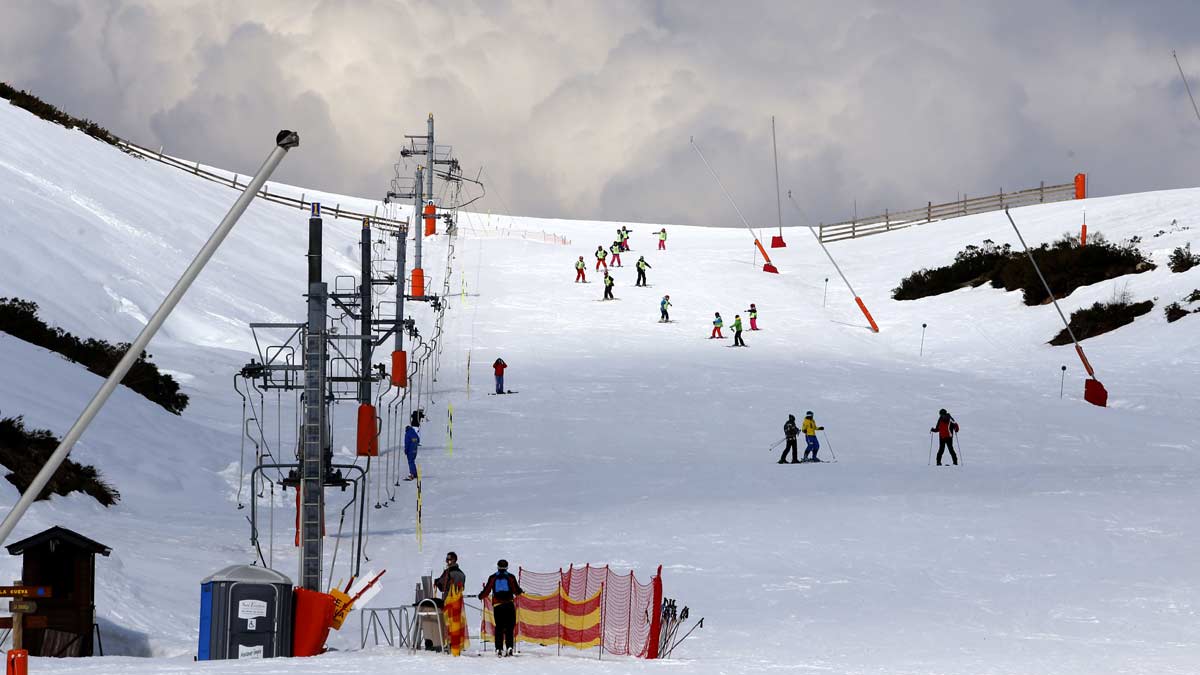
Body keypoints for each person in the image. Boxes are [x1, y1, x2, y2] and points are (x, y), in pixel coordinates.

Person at [478, 559, 524, 657]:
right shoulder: (511, 577)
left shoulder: (493, 577)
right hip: (509, 605)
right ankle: (509, 647)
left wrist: (480, 596)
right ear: (507, 567)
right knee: (509, 627)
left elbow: (487, 590)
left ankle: (499, 648)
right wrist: (520, 591)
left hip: (498, 606)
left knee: (499, 627)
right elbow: (516, 590)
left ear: (498, 567)